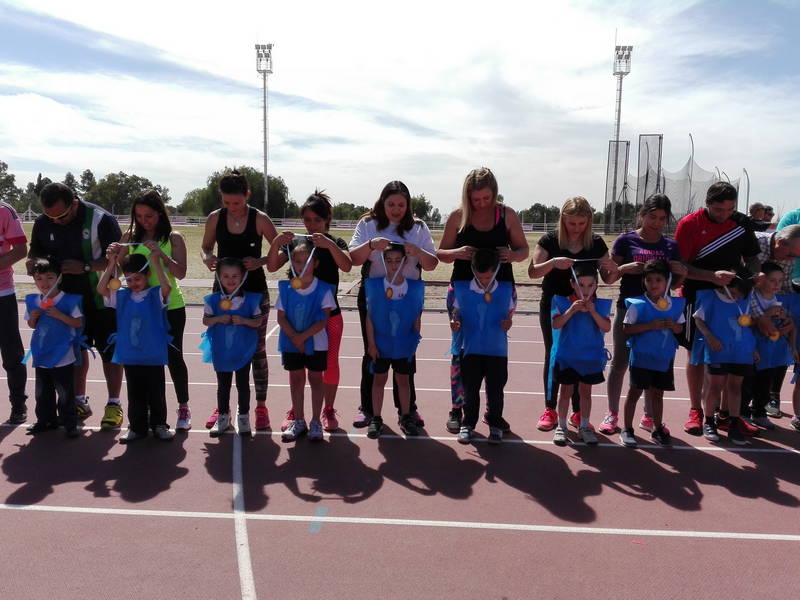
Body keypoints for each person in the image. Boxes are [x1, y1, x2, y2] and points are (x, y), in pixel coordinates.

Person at [436, 167, 528, 433]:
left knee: (493, 350)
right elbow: (440, 254)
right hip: (463, 290)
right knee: (461, 350)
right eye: (476, 199)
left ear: (495, 193)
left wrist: (512, 255)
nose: (481, 203)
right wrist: (457, 252)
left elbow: (524, 250)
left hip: (499, 290)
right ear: (467, 196)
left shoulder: (507, 215)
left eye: (486, 198)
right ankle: (458, 407)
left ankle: (492, 411)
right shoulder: (458, 216)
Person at [28, 182, 124, 429]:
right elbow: (35, 253)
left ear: (74, 203)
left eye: (61, 216)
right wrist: (34, 264)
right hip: (66, 302)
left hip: (100, 298)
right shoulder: (43, 222)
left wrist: (87, 267)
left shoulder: (101, 219)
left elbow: (120, 260)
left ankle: (114, 404)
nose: (56, 221)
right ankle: (79, 401)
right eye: (50, 217)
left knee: (109, 351)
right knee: (75, 351)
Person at [349, 180, 438, 429]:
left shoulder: (418, 227)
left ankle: (407, 410)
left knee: (406, 351)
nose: (396, 209)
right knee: (372, 350)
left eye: (401, 204)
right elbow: (352, 259)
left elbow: (432, 264)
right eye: (391, 204)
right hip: (375, 297)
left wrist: (417, 251)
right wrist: (370, 245)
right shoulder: (368, 224)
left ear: (408, 205)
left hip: (407, 297)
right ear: (382, 203)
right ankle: (368, 409)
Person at [675, 182, 760, 435]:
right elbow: (680, 266)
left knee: (729, 354)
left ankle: (726, 415)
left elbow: (753, 258)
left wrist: (753, 276)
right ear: (707, 203)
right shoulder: (689, 224)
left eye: (730, 209)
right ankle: (696, 411)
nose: (725, 215)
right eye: (719, 209)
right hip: (697, 295)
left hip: (732, 298)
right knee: (696, 354)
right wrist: (711, 277)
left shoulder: (741, 223)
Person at [529, 196, 617, 432]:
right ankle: (550, 408)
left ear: (589, 221)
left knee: (582, 353)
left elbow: (608, 278)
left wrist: (613, 270)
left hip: (586, 305)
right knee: (555, 353)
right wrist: (553, 263)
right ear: (562, 220)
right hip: (556, 303)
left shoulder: (596, 243)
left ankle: (578, 412)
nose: (576, 228)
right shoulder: (550, 240)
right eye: (571, 223)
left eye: (581, 223)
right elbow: (533, 272)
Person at [267, 190, 352, 432]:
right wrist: (276, 244)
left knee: (328, 364)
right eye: (307, 220)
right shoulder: (297, 243)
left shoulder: (336, 242)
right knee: (297, 367)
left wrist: (329, 245)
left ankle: (328, 409)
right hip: (297, 318)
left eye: (317, 220)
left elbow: (347, 266)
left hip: (329, 317)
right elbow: (272, 266)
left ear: (327, 220)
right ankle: (297, 411)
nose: (312, 225)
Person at [201, 170, 277, 430]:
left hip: (254, 293)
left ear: (247, 195)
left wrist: (260, 261)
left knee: (257, 351)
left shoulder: (260, 219)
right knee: (222, 347)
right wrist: (207, 258)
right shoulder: (215, 218)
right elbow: (206, 247)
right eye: (226, 202)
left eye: (237, 202)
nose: (232, 207)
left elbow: (281, 252)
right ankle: (222, 406)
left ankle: (260, 406)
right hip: (222, 294)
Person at [603, 195, 686, 435]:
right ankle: (612, 413)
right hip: (629, 309)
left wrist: (681, 274)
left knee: (654, 361)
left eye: (662, 218)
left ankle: (649, 415)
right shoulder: (625, 240)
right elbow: (607, 278)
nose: (656, 223)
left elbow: (673, 284)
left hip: (659, 310)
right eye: (652, 217)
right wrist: (622, 269)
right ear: (641, 215)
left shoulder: (670, 246)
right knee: (620, 362)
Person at [116, 190, 190, 429]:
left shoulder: (173, 238)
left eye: (148, 215)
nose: (143, 221)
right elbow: (118, 271)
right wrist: (113, 255)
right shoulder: (129, 237)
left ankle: (183, 407)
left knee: (173, 357)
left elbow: (181, 273)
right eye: (139, 216)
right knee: (144, 360)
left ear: (160, 213)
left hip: (170, 306)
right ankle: (148, 412)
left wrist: (162, 257)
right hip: (141, 308)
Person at [97, 252, 173, 443]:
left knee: (156, 392)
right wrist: (111, 263)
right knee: (135, 392)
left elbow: (167, 287)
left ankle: (159, 425)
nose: (133, 283)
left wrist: (156, 263)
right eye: (129, 279)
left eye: (137, 278)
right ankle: (137, 427)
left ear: (148, 275)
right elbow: (101, 288)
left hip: (153, 354)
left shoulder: (155, 294)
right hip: (130, 355)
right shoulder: (122, 295)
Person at [450, 248, 515, 445]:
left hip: (497, 351)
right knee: (470, 390)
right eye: (479, 277)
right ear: (472, 270)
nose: (484, 281)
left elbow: (509, 316)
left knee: (496, 390)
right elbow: (456, 313)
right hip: (471, 349)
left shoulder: (506, 290)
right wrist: (455, 322)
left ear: (496, 271)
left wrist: (508, 323)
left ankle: (495, 423)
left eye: (487, 277)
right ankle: (468, 423)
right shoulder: (462, 289)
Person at [618, 260, 685, 448]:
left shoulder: (674, 304)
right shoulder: (637, 304)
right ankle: (627, 429)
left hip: (663, 357)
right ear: (644, 281)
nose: (653, 284)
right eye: (649, 280)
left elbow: (680, 329)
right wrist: (650, 326)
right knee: (634, 392)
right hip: (641, 357)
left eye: (658, 280)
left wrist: (674, 326)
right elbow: (626, 328)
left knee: (658, 394)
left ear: (667, 281)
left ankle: (657, 429)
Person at [276, 237, 335, 442]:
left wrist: (303, 337)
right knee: (296, 379)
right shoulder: (286, 288)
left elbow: (323, 320)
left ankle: (316, 421)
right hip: (291, 342)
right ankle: (299, 420)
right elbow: (281, 317)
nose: (301, 266)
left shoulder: (323, 289)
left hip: (316, 343)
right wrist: (294, 337)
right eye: (297, 261)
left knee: (316, 379)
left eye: (306, 262)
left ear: (315, 263)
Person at [363, 244, 425, 439]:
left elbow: (416, 317)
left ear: (405, 262)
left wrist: (414, 343)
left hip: (404, 344)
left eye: (398, 260)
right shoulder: (374, 286)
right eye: (389, 260)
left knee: (403, 380)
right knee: (378, 380)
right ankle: (376, 418)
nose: (393, 265)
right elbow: (369, 317)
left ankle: (405, 417)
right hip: (380, 345)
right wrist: (371, 344)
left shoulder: (413, 287)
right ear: (383, 262)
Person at [691, 268, 756, 445]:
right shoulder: (711, 298)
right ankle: (709, 421)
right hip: (718, 351)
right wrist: (710, 337)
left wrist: (752, 347)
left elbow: (748, 325)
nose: (736, 297)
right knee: (715, 386)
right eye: (734, 292)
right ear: (726, 285)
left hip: (740, 351)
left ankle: (733, 423)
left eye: (739, 294)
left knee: (735, 387)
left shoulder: (745, 298)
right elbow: (698, 319)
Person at [550, 264, 612, 446]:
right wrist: (571, 310)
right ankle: (561, 426)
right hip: (567, 357)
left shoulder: (599, 305)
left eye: (590, 285)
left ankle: (584, 426)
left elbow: (606, 327)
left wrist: (593, 311)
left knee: (586, 392)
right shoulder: (561, 302)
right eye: (581, 285)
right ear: (572, 284)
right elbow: (556, 325)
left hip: (590, 358)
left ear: (596, 286)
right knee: (565, 391)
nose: (585, 290)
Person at [201, 257, 262, 437]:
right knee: (223, 385)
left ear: (242, 276)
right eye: (226, 276)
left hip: (243, 350)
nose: (230, 280)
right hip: (221, 350)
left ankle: (243, 417)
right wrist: (218, 319)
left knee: (243, 384)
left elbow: (258, 321)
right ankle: (223, 417)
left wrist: (243, 320)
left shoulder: (250, 300)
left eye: (235, 276)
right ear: (219, 277)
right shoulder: (213, 300)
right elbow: (206, 320)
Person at [24, 257, 82, 438]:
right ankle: (45, 420)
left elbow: (78, 322)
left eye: (49, 277)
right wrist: (33, 318)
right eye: (39, 278)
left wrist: (59, 315)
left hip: (62, 355)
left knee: (65, 393)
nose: (44, 283)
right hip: (42, 353)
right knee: (42, 393)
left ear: (59, 278)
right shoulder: (33, 300)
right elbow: (32, 325)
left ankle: (69, 423)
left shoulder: (69, 300)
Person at [750, 224, 800, 416]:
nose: (792, 260)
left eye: (796, 257)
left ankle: (769, 399)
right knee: (744, 373)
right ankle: (731, 412)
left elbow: (785, 289)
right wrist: (761, 317)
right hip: (744, 314)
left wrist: (787, 317)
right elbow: (745, 288)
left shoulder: (787, 256)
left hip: (767, 317)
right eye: (791, 255)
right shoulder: (753, 244)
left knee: (775, 354)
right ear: (780, 243)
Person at [740, 262, 795, 429]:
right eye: (772, 280)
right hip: (753, 346)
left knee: (765, 382)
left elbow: (784, 325)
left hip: (770, 349)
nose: (777, 285)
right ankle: (742, 413)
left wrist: (786, 323)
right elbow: (746, 322)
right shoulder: (751, 297)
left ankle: (759, 412)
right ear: (761, 281)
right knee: (748, 382)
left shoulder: (777, 300)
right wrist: (767, 314)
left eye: (780, 281)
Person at [0, 201, 28, 424]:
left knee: (11, 354)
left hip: (2, 294)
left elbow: (20, 250)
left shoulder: (3, 210)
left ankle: (18, 404)